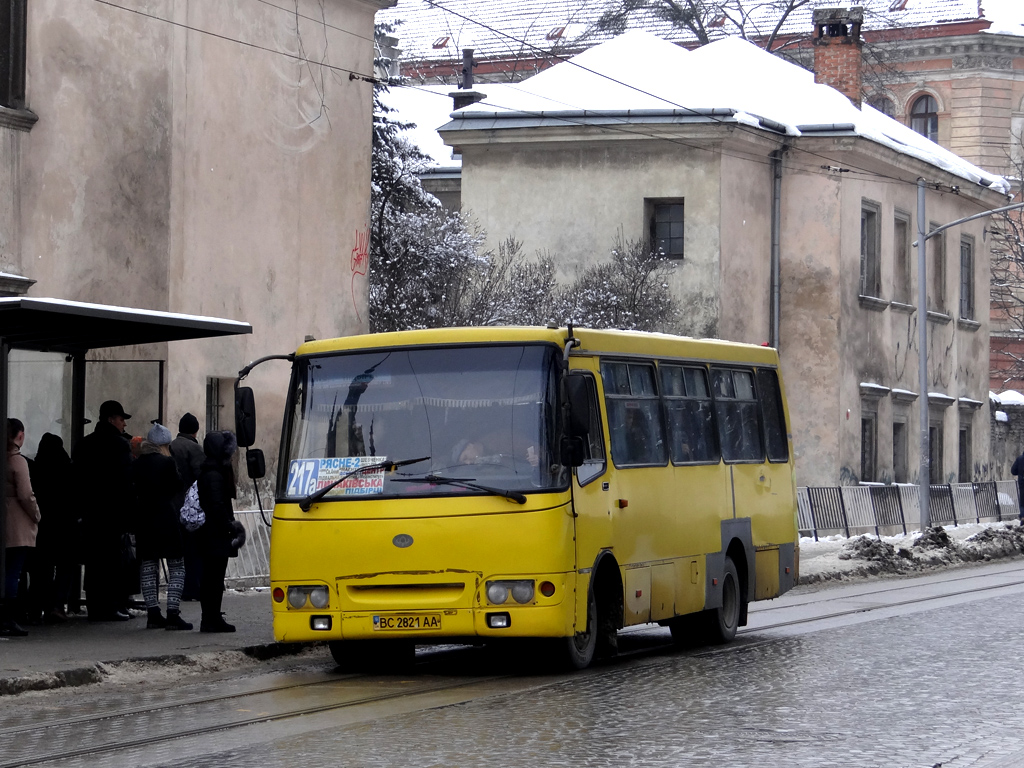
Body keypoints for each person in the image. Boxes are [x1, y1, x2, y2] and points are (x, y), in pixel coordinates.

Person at [72, 400, 135, 622]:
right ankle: (110, 606)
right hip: (112, 512)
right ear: (111, 419)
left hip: (90, 512)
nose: (124, 424)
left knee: (94, 561)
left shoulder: (85, 444)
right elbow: (126, 481)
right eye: (121, 419)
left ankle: (94, 605)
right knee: (111, 561)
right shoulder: (119, 445)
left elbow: (77, 479)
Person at [132, 423, 192, 630]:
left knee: (148, 565)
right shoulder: (167, 463)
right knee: (177, 565)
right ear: (164, 444)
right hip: (165, 517)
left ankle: (153, 613)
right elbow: (178, 485)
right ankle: (173, 612)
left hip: (144, 519)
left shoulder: (138, 464)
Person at [26, 433, 75, 624]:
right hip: (64, 526)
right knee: (65, 566)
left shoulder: (35, 469)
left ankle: (36, 607)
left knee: (41, 569)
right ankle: (57, 604)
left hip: (42, 527)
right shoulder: (67, 469)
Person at [196, 430, 241, 632]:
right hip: (215, 533)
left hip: (211, 533)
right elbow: (216, 505)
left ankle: (212, 616)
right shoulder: (214, 474)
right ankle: (211, 618)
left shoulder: (210, 471)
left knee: (212, 578)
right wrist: (229, 525)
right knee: (214, 578)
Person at [2, 419, 41, 636]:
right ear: (20, 436)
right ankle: (8, 617)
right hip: (17, 522)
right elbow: (26, 494)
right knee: (14, 571)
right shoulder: (18, 462)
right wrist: (36, 515)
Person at [169, 412, 204, 600]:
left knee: (178, 552)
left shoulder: (170, 446)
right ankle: (192, 587)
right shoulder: (194, 449)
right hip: (190, 508)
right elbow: (201, 477)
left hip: (171, 506)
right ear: (195, 430)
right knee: (193, 550)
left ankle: (180, 587)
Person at [1012, 449, 1024, 524]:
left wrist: (1019, 473)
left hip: (1022, 483)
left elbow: (1013, 471)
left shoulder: (1019, 459)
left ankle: (1023, 517)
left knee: (1022, 503)